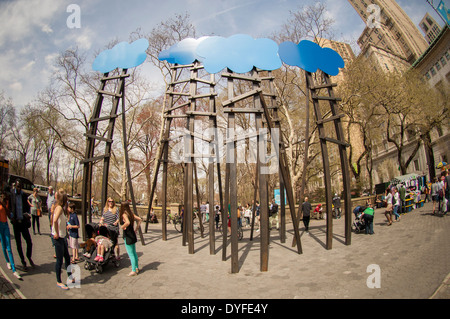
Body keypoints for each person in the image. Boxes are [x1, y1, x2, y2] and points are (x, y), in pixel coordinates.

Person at [9, 180, 34, 270]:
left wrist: (27, 214)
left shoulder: (23, 195)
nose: (19, 188)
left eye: (20, 187)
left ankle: (28, 256)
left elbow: (27, 207)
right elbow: (10, 206)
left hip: (23, 222)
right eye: (17, 186)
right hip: (16, 222)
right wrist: (11, 217)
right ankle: (23, 262)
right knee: (18, 243)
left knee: (29, 242)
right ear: (15, 186)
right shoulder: (12, 194)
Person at [52, 189, 72, 290]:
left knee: (67, 258)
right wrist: (56, 232)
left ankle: (69, 276)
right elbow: (54, 220)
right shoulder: (59, 207)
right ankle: (59, 281)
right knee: (59, 260)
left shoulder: (61, 208)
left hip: (63, 236)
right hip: (59, 237)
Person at [0, 192, 22, 280]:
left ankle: (14, 269)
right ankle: (7, 261)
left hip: (5, 225)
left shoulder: (5, 205)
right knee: (3, 246)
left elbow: (10, 215)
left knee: (9, 248)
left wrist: (11, 214)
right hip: (0, 226)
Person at [119, 201, 142, 276]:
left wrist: (122, 227)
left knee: (131, 254)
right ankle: (136, 267)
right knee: (134, 252)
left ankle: (133, 270)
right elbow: (139, 219)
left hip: (128, 235)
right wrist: (136, 228)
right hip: (132, 234)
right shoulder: (131, 214)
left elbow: (128, 222)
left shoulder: (124, 214)